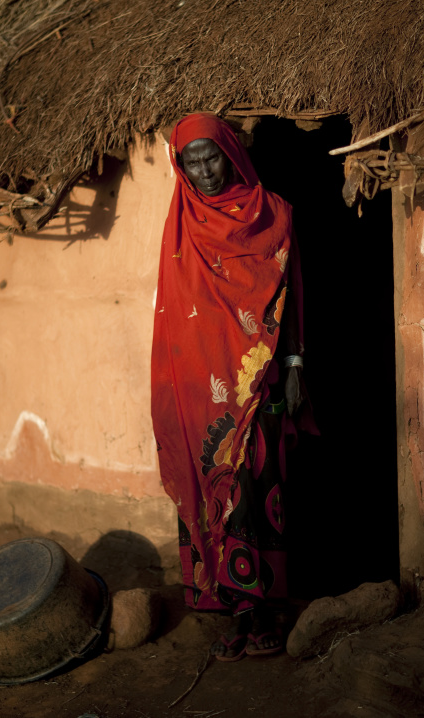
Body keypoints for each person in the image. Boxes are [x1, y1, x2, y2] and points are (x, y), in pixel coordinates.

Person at [151, 113, 313, 661]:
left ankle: (261, 605)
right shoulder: (181, 227)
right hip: (201, 384)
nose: (204, 171)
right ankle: (239, 609)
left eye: (211, 156)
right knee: (214, 488)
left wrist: (292, 366)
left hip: (260, 376)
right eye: (191, 162)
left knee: (257, 483)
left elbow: (287, 301)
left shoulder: (275, 214)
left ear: (231, 152)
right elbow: (175, 315)